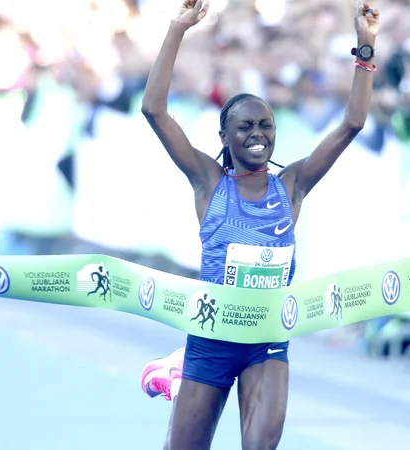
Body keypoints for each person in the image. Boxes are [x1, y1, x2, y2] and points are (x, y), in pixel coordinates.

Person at [138, 1, 380, 449]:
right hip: (211, 339)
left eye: (266, 126)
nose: (258, 135)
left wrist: (364, 49)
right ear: (225, 138)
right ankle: (176, 370)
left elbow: (353, 123)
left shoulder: (291, 187)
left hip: (266, 340)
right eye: (245, 126)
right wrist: (176, 29)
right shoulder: (208, 182)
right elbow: (154, 110)